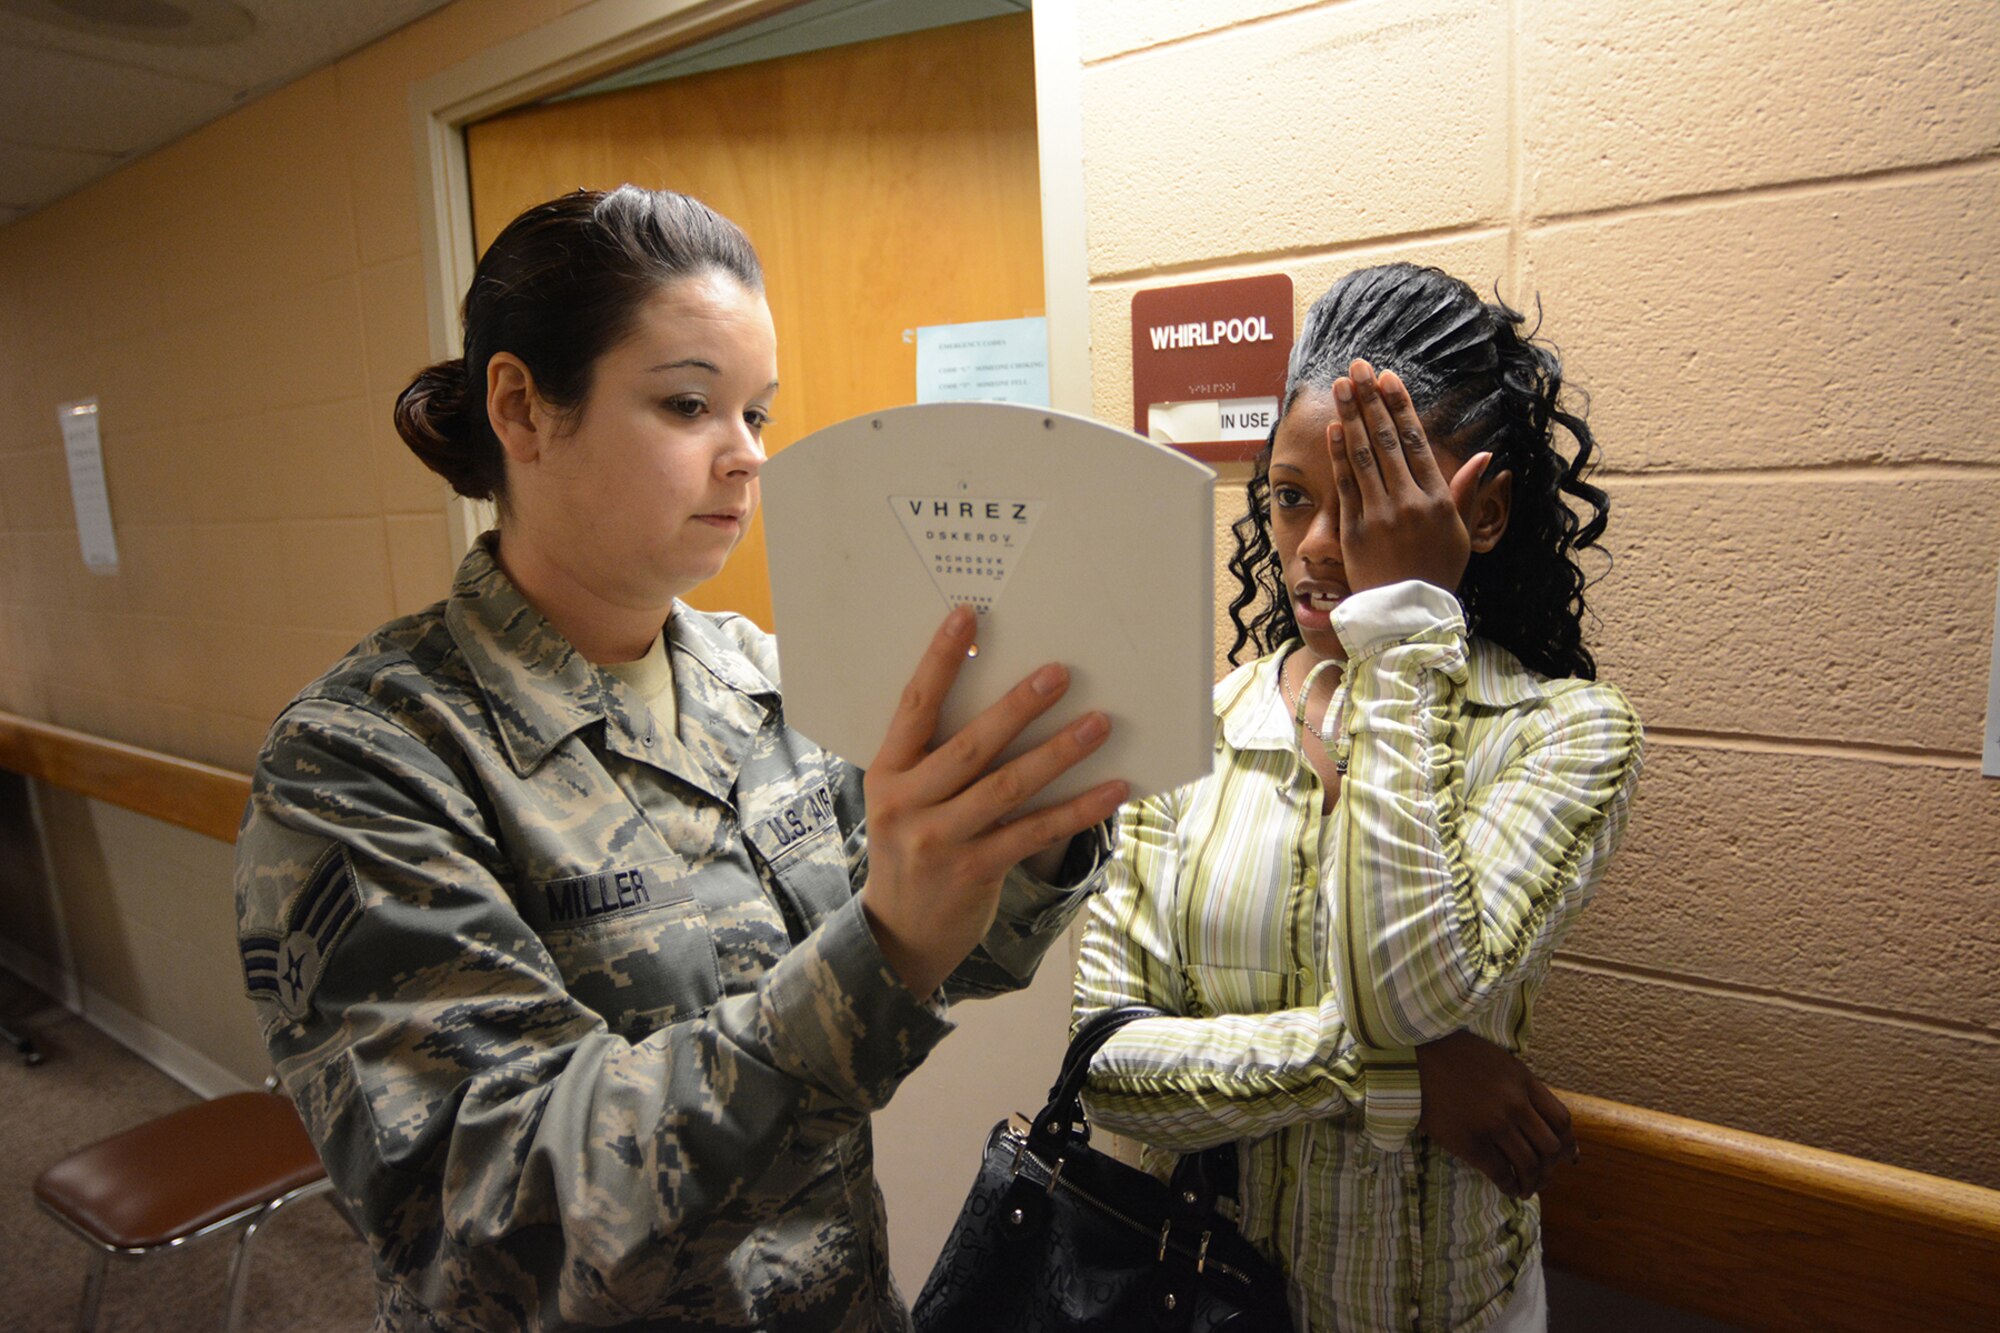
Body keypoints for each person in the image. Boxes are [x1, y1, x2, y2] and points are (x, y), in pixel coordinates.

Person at [234, 186, 1129, 1332]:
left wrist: (1025, 831)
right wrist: (887, 943)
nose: (747, 457)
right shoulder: (366, 761)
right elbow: (499, 1222)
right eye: (690, 404)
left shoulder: (769, 682)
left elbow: (948, 960)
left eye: (757, 413)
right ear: (521, 406)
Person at [1073, 263, 1643, 1332]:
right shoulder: (1187, 728)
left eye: (1374, 505)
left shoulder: (1564, 734)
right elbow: (1107, 1065)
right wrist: (1403, 1084)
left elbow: (1409, 1000)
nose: (1319, 548)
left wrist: (1404, 630)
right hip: (1193, 1299)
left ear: (1477, 512)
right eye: (1291, 497)